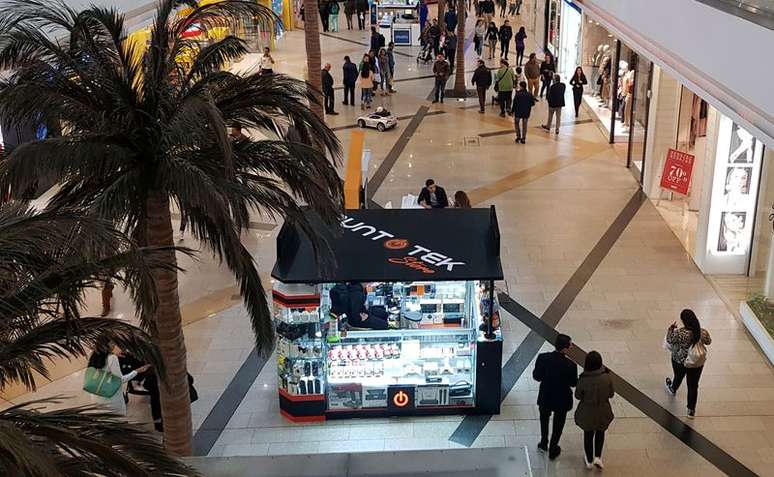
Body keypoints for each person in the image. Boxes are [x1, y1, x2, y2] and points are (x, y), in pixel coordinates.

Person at [532, 334, 578, 460]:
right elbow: (573, 383)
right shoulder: (571, 365)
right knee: (558, 424)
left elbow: (536, 376)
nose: (572, 346)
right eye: (570, 344)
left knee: (544, 418)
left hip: (546, 395)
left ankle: (543, 442)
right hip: (562, 399)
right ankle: (553, 447)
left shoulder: (543, 358)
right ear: (565, 348)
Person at [665, 309, 712, 418]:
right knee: (693, 385)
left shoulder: (680, 333)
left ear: (684, 321)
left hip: (680, 361)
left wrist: (671, 328)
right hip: (696, 363)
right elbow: (709, 342)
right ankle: (691, 410)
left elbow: (669, 340)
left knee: (678, 376)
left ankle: (673, 388)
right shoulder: (702, 332)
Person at [86, 341, 150, 416]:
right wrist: (136, 371)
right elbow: (120, 380)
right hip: (111, 397)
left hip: (96, 396)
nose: (114, 345)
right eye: (112, 343)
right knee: (116, 420)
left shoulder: (92, 355)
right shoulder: (112, 358)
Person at [575, 351, 614, 471]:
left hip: (587, 411)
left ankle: (589, 459)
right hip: (603, 410)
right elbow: (611, 394)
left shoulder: (583, 379)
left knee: (588, 434)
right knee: (600, 432)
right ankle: (598, 457)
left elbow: (578, 395)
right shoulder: (607, 377)